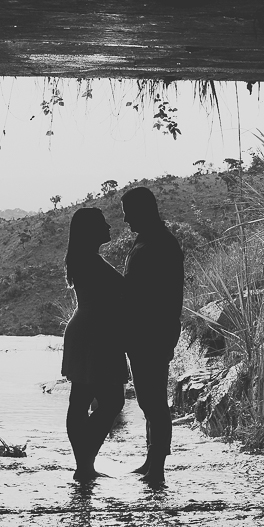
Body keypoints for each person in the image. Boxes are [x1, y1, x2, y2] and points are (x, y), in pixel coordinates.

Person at [120, 186, 184, 486]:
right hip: (144, 332)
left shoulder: (160, 244)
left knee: (153, 401)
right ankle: (152, 460)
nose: (125, 220)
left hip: (152, 333)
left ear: (142, 210)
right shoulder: (149, 240)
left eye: (128, 214)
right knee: (149, 399)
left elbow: (164, 295)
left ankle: (157, 466)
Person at [61, 207, 129, 483]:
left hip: (91, 331)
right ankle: (85, 461)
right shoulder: (88, 260)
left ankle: (84, 464)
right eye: (103, 223)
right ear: (91, 230)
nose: (109, 226)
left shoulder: (84, 258)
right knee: (110, 400)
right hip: (95, 334)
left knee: (82, 398)